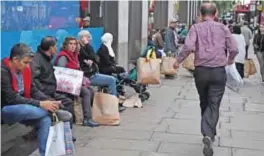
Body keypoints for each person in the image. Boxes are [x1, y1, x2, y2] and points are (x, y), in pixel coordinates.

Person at [173, 2, 238, 156]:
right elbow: (234, 48)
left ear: (201, 14)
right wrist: (230, 60)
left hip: (201, 71)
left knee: (204, 101)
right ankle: (209, 133)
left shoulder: (196, 28)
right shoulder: (223, 28)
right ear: (215, 13)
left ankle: (207, 132)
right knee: (214, 103)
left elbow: (188, 46)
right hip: (218, 71)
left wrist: (178, 61)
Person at [1, 43, 72, 156]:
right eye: (25, 62)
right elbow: (12, 98)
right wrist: (41, 104)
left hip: (24, 106)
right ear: (15, 59)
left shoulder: (25, 70)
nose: (28, 66)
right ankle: (53, 112)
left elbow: (34, 91)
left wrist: (49, 101)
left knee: (45, 120)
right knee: (31, 110)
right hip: (6, 110)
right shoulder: (2, 72)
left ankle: (45, 153)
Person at [54, 37, 100, 127]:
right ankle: (87, 119)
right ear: (66, 45)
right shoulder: (63, 56)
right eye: (70, 44)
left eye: (74, 44)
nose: (73, 46)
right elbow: (61, 73)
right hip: (65, 85)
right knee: (86, 92)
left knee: (90, 90)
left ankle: (86, 114)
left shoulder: (74, 55)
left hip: (74, 82)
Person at [77, 30, 126, 112]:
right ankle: (114, 105)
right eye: (88, 37)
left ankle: (113, 100)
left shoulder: (85, 48)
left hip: (92, 73)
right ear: (82, 38)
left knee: (114, 77)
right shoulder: (81, 48)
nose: (90, 38)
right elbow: (94, 57)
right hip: (89, 76)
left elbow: (95, 58)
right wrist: (87, 45)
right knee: (112, 80)